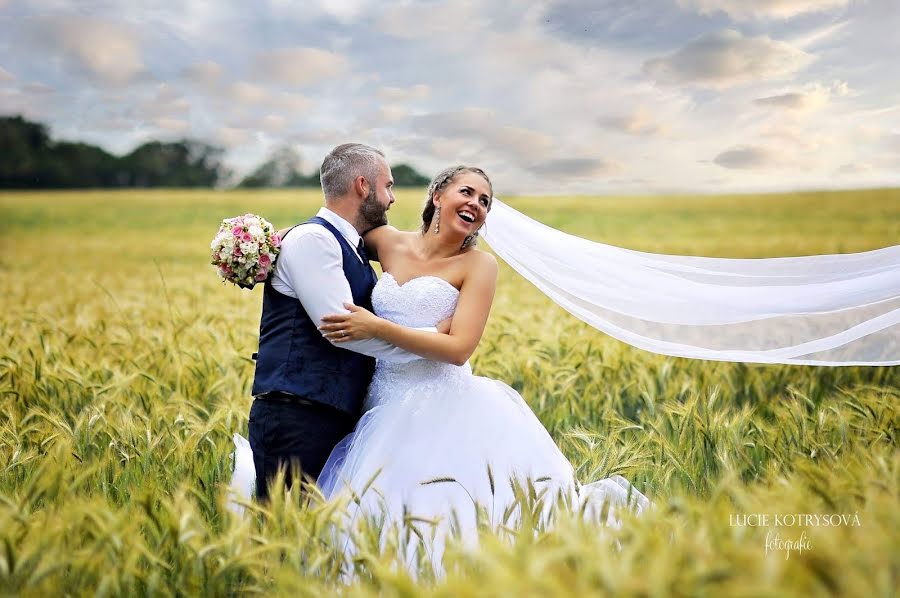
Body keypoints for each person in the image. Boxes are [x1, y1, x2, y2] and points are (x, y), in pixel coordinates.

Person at [307, 165, 650, 565]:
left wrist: (377, 326)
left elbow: (458, 349)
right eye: (467, 192)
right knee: (375, 516)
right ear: (437, 195)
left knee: (450, 517)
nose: (476, 204)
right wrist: (268, 248)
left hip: (443, 404)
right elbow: (327, 245)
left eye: (484, 201)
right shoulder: (384, 241)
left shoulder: (479, 266)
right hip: (382, 400)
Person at [244, 143, 445, 503]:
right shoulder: (314, 240)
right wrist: (432, 342)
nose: (392, 198)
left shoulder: (347, 245)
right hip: (297, 415)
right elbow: (345, 331)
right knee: (283, 537)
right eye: (388, 186)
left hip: (329, 415)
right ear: (363, 186)